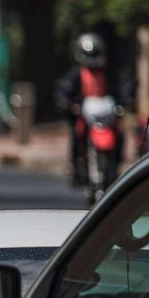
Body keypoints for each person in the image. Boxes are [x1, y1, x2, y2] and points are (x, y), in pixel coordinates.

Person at [56, 33, 108, 185]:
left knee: (118, 134)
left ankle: (113, 162)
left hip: (104, 116)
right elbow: (64, 90)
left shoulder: (107, 73)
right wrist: (68, 103)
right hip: (84, 116)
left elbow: (122, 87)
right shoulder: (75, 74)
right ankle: (76, 163)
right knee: (77, 134)